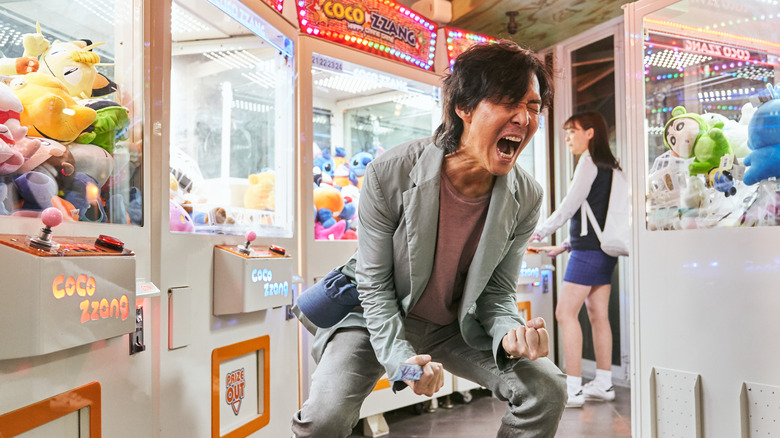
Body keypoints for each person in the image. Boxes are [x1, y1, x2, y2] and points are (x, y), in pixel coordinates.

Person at [291, 41, 567, 437]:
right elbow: (374, 285)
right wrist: (406, 366)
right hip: (374, 317)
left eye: (533, 107)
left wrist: (510, 334)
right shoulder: (390, 172)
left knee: (547, 387)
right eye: (508, 102)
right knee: (324, 421)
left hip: (455, 325)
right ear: (464, 107)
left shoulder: (528, 196)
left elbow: (497, 292)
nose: (523, 118)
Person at [529, 112, 621, 408]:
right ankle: (604, 383)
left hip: (588, 253)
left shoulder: (588, 162)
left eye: (572, 131)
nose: (567, 137)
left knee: (564, 313)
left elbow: (570, 205)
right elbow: (595, 215)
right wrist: (565, 245)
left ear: (590, 133)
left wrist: (541, 232)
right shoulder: (612, 166)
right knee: (598, 315)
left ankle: (573, 388)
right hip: (602, 250)